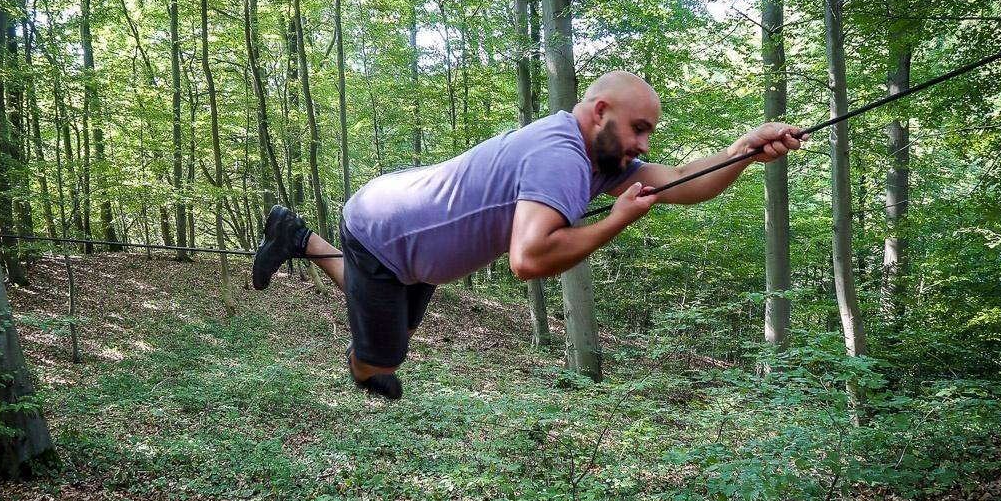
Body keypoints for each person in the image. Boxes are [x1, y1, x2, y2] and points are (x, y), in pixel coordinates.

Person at [252, 71, 802, 400]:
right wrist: (615, 221)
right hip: (383, 228)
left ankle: (297, 239)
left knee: (391, 314)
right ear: (600, 112)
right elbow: (529, 259)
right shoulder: (560, 157)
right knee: (380, 363)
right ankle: (361, 340)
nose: (644, 145)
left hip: (412, 237)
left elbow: (681, 179)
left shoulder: (600, 159)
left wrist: (741, 153)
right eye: (639, 129)